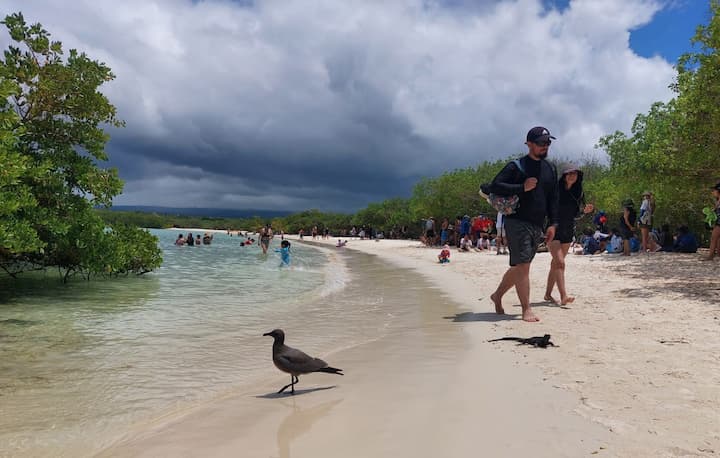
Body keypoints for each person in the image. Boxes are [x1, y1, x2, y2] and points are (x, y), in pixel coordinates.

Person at [489, 126, 559, 322]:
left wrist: (553, 224)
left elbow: (553, 198)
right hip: (517, 220)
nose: (545, 146)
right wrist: (522, 187)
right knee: (524, 266)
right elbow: (494, 185)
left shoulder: (550, 168)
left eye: (548, 143)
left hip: (538, 224)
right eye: (540, 143)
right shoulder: (517, 166)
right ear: (529, 144)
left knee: (521, 266)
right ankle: (526, 309)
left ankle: (497, 295)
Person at [544, 164, 593, 305]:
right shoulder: (555, 190)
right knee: (560, 262)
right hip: (552, 228)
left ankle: (547, 294)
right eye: (569, 173)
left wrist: (585, 211)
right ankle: (563, 295)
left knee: (556, 263)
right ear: (564, 175)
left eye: (575, 173)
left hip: (568, 229)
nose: (572, 176)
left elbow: (576, 215)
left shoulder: (578, 192)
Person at [703, 182, 720, 261]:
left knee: (714, 238)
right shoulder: (718, 200)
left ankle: (711, 256)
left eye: (714, 191)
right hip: (718, 221)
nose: (713, 192)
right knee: (717, 238)